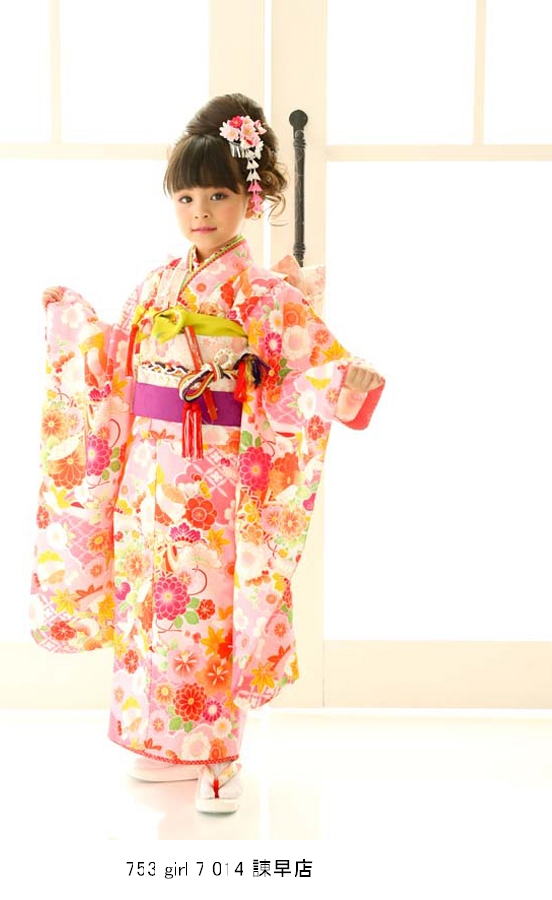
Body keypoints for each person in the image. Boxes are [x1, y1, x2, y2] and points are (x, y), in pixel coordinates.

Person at [30, 93, 384, 814]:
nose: (200, 211)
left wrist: (345, 383)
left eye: (217, 195)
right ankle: (163, 741)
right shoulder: (156, 284)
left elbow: (308, 371)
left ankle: (220, 756)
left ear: (250, 197)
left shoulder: (264, 295)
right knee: (151, 606)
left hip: (219, 482)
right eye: (186, 196)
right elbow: (116, 364)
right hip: (147, 477)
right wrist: (80, 336)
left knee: (212, 611)